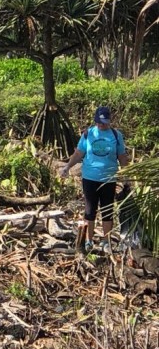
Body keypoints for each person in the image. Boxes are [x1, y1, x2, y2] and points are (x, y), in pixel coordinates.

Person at [60, 106, 129, 252]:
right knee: (90, 210)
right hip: (90, 178)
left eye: (103, 122)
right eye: (98, 122)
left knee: (107, 210)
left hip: (109, 178)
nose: (101, 125)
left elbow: (122, 156)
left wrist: (126, 177)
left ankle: (106, 241)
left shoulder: (116, 135)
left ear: (109, 121)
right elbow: (79, 153)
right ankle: (88, 240)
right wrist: (67, 167)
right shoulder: (88, 134)